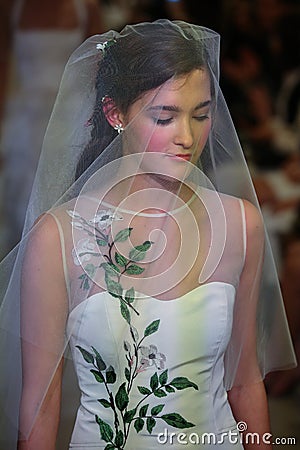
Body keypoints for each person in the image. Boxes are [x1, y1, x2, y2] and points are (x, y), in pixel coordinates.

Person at [0, 20, 296, 450]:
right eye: (165, 116)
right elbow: (40, 410)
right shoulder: (60, 238)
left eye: (201, 114)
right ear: (115, 113)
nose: (188, 138)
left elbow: (245, 381)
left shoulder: (240, 226)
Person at [0, 0, 104, 254]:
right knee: (20, 198)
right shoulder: (11, 8)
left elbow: (99, 65)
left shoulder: (86, 7)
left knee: (63, 190)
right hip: (27, 118)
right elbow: (2, 63)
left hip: (70, 116)